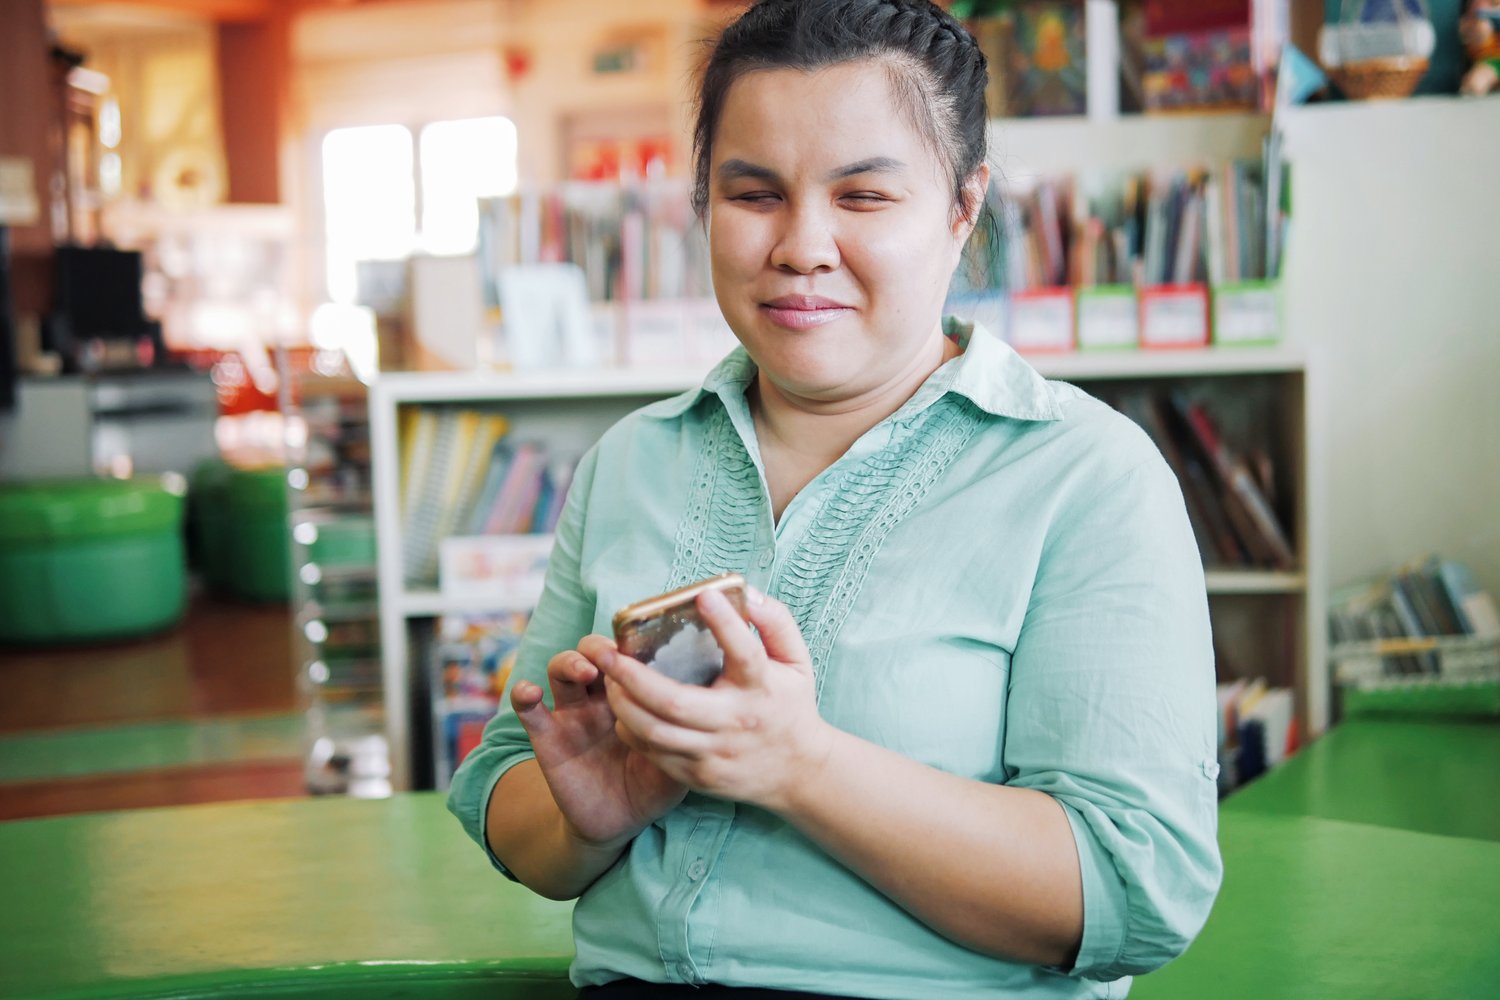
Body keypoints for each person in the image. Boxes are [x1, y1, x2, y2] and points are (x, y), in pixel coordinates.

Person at [448, 1, 1222, 996]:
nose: (801, 246)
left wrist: (800, 764)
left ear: (962, 206)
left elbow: (1135, 891)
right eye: (754, 193)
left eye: (862, 197)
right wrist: (595, 817)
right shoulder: (629, 461)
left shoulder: (1089, 476)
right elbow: (509, 801)